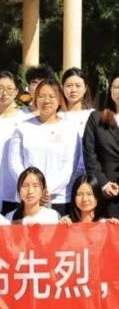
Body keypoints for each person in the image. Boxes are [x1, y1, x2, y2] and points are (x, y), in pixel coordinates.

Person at [8, 78, 82, 215]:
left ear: (60, 100)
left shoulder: (70, 130)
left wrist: (46, 190)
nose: (46, 100)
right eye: (41, 96)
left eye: (52, 96)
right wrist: (32, 188)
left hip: (58, 199)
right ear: (35, 99)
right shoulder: (22, 128)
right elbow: (14, 163)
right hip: (27, 199)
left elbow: (69, 167)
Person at [83, 69, 119, 219]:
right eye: (117, 87)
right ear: (110, 89)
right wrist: (103, 183)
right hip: (100, 188)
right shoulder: (96, 118)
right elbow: (90, 154)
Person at [0, 71, 25, 214]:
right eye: (0, 88)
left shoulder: (24, 119)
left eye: (9, 88)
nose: (4, 93)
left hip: (14, 187)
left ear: (16, 91)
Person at [61, 67, 95, 139]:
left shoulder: (92, 116)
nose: (73, 90)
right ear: (62, 87)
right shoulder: (54, 115)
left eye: (78, 86)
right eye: (69, 85)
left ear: (85, 88)